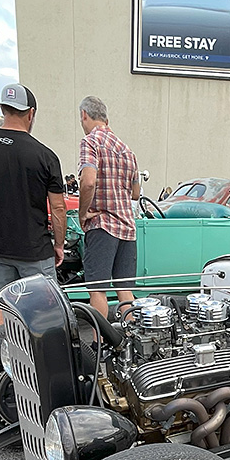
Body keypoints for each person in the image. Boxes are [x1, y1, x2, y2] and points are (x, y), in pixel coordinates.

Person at [0, 83, 66, 330]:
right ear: (31, 113)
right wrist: (58, 244)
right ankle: (39, 360)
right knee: (43, 303)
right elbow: (58, 208)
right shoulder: (44, 155)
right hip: (34, 246)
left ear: (3, 109)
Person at [77, 95, 140, 316]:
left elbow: (88, 181)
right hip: (127, 228)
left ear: (84, 115)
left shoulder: (90, 142)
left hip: (103, 225)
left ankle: (98, 346)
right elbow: (136, 193)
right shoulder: (126, 149)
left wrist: (83, 212)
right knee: (125, 290)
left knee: (97, 290)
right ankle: (131, 342)